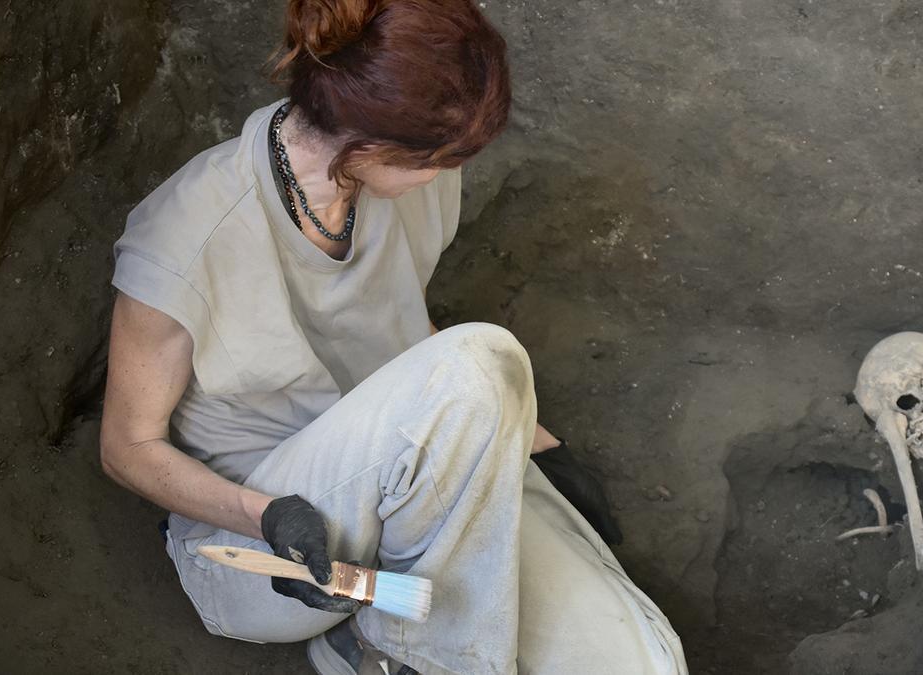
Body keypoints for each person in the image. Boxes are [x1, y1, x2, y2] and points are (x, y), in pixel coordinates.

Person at [98, 1, 687, 673]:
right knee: (482, 355)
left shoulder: (405, 184)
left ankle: (378, 640)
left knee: (642, 661)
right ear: (368, 147)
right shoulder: (186, 236)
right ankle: (389, 648)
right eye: (433, 159)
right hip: (277, 548)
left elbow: (406, 336)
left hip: (415, 484)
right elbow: (126, 447)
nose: (446, 172)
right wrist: (262, 512)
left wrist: (536, 444)